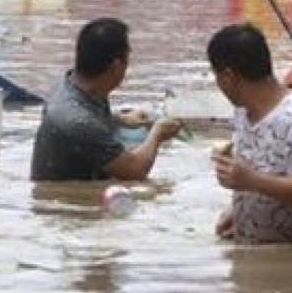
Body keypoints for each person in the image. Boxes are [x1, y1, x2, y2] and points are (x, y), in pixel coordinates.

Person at [208, 23, 292, 244]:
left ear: (228, 77)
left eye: (216, 75)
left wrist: (251, 181)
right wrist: (238, 210)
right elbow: (258, 171)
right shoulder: (242, 112)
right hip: (254, 254)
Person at [30, 18, 183, 181]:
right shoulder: (79, 122)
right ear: (116, 68)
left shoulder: (71, 85)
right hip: (63, 201)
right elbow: (134, 170)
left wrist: (120, 119)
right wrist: (157, 134)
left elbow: (87, 120)